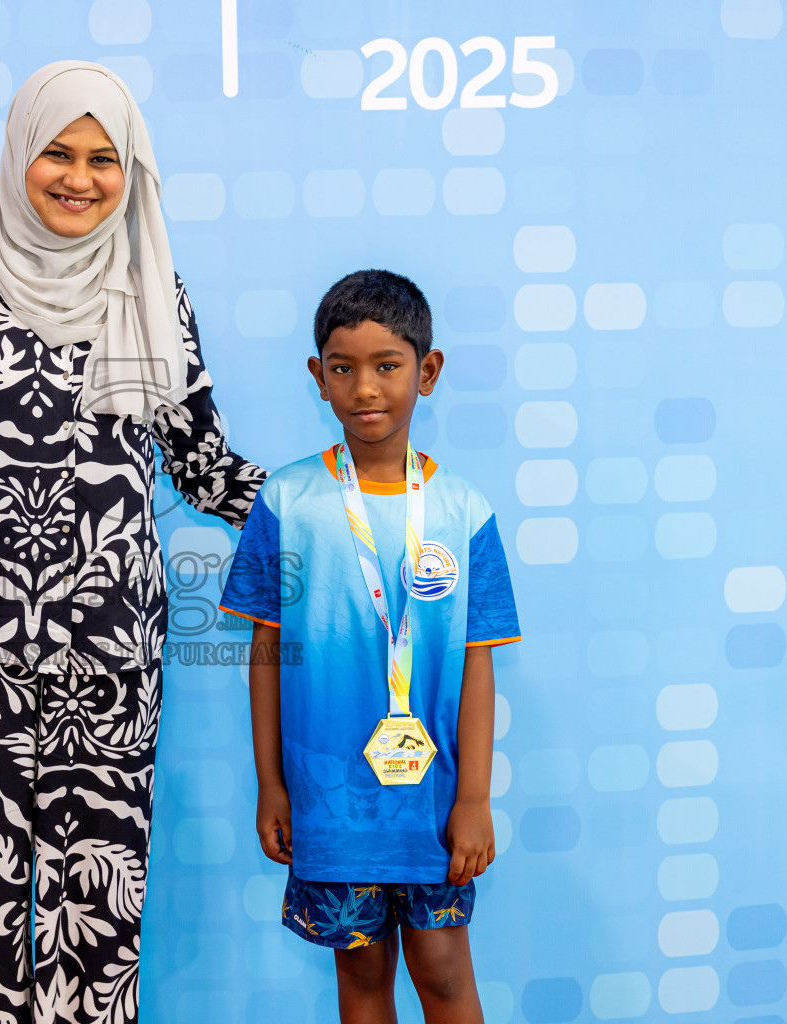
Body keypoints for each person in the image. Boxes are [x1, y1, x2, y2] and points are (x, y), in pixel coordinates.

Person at [0, 61, 265, 1023]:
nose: (80, 178)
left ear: (132, 174)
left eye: (104, 159)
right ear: (19, 153)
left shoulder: (151, 291)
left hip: (113, 668)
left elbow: (201, 467)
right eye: (58, 152)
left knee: (97, 925)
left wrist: (339, 498)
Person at [218, 270, 521, 1023]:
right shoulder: (287, 502)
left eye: (388, 366)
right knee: (361, 982)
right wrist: (272, 785)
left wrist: (475, 799)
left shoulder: (463, 508)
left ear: (428, 371)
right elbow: (266, 655)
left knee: (447, 977)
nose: (366, 389)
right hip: (330, 808)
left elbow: (478, 661)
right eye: (344, 369)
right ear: (318, 378)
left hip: (433, 803)